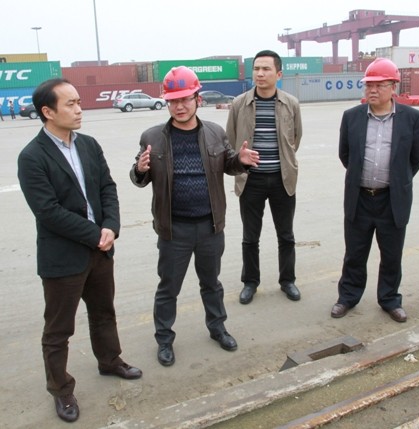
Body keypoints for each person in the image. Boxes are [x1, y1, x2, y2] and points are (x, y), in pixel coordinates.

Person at [17, 78, 142, 423]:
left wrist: (111, 226)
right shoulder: (32, 156)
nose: (78, 109)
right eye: (70, 103)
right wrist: (95, 234)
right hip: (63, 257)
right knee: (58, 330)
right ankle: (60, 389)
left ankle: (110, 360)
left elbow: (107, 188)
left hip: (100, 250)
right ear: (48, 111)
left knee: (104, 313)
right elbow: (48, 211)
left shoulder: (88, 144)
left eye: (78, 102)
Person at [129, 66, 259, 367]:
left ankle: (217, 328)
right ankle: (164, 340)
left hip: (210, 227)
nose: (180, 106)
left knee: (211, 283)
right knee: (168, 288)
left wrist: (240, 161)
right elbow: (139, 177)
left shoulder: (214, 132)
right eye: (173, 101)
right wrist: (140, 169)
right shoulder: (152, 137)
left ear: (197, 99)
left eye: (186, 99)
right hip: (174, 230)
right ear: (167, 102)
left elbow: (228, 163)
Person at [331, 58, 419, 323]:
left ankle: (390, 300)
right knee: (355, 254)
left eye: (379, 85)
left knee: (392, 255)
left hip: (392, 200)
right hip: (360, 198)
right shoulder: (351, 117)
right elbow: (345, 155)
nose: (372, 90)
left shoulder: (412, 118)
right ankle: (347, 297)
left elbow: (417, 158)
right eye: (368, 85)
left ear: (393, 86)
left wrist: (396, 180)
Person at [226, 50, 302, 305]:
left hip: (282, 179)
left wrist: (283, 161)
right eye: (256, 68)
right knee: (250, 237)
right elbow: (231, 140)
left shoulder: (291, 103)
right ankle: (250, 282)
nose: (260, 73)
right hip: (251, 180)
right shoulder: (239, 104)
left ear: (278, 74)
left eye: (266, 69)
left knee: (286, 235)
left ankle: (287, 280)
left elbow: (295, 139)